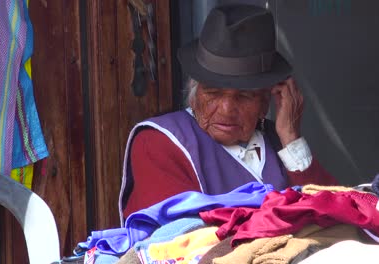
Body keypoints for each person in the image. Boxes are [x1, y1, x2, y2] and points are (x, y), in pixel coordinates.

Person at [118, 4, 337, 222]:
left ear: (265, 100)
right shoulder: (160, 142)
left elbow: (337, 215)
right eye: (213, 93)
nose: (226, 109)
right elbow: (183, 242)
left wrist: (291, 139)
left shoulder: (278, 140)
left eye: (243, 96)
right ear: (194, 95)